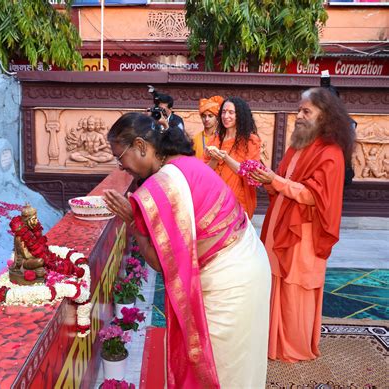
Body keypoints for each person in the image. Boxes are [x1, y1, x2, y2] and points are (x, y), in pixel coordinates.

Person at [103, 112, 271, 388]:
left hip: (229, 282)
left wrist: (132, 221)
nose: (122, 168)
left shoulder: (165, 183)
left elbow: (162, 262)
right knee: (241, 366)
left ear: (141, 146)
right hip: (247, 263)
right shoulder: (184, 163)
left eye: (120, 158)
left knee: (222, 372)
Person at [251, 87, 356, 363]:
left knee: (294, 287)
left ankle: (293, 347)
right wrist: (267, 178)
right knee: (276, 284)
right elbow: (283, 183)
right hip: (280, 225)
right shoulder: (298, 146)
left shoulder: (331, 154)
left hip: (304, 235)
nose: (298, 115)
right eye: (299, 109)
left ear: (325, 117)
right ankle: (272, 343)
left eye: (306, 111)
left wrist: (274, 180)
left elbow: (312, 196)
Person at [204, 97, 261, 219]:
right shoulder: (214, 140)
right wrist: (214, 159)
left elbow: (250, 173)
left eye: (231, 112)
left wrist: (226, 158)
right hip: (215, 199)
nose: (226, 116)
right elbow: (205, 173)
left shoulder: (250, 141)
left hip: (238, 200)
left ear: (239, 115)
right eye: (223, 112)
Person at [193, 96, 224, 160]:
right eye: (204, 116)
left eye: (210, 116)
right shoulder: (195, 139)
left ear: (217, 118)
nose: (206, 119)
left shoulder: (222, 137)